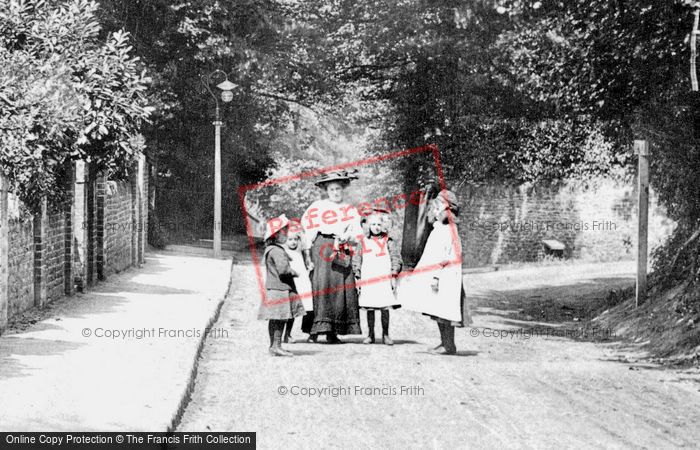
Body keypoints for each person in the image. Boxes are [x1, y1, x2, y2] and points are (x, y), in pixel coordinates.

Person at [398, 189, 471, 355]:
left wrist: (437, 276)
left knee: (444, 312)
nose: (436, 212)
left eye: (441, 209)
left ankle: (448, 345)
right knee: (438, 311)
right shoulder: (439, 230)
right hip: (440, 274)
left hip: (445, 276)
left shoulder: (448, 231)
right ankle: (445, 343)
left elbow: (447, 256)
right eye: (436, 208)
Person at [300, 169, 363, 343]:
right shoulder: (317, 207)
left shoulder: (349, 209)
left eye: (338, 189)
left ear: (343, 189)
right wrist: (307, 254)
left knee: (339, 289)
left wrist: (348, 237)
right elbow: (307, 231)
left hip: (342, 248)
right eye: (332, 189)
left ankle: (332, 332)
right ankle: (314, 331)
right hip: (322, 247)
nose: (335, 192)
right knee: (320, 286)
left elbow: (357, 233)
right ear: (326, 190)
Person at [257, 214, 305, 356]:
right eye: (284, 231)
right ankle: (276, 346)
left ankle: (273, 346)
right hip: (281, 288)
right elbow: (283, 270)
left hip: (274, 288)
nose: (286, 234)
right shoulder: (277, 251)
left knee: (275, 319)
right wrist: (294, 272)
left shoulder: (270, 249)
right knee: (281, 318)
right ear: (276, 235)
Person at [352, 209, 402, 345]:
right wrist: (358, 276)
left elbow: (395, 258)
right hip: (369, 278)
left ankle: (386, 334)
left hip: (383, 278)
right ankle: (370, 334)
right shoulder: (363, 242)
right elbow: (357, 259)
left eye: (379, 224)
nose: (376, 227)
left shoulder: (388, 241)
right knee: (370, 307)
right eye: (373, 224)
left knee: (384, 307)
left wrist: (393, 274)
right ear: (368, 226)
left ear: (383, 226)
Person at [283, 231, 313, 343]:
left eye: (295, 239)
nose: (293, 242)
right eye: (290, 239)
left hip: (302, 282)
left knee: (305, 307)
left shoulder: (299, 252)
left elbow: (304, 264)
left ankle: (309, 333)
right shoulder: (285, 253)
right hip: (293, 283)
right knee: (291, 309)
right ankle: (286, 334)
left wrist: (308, 266)